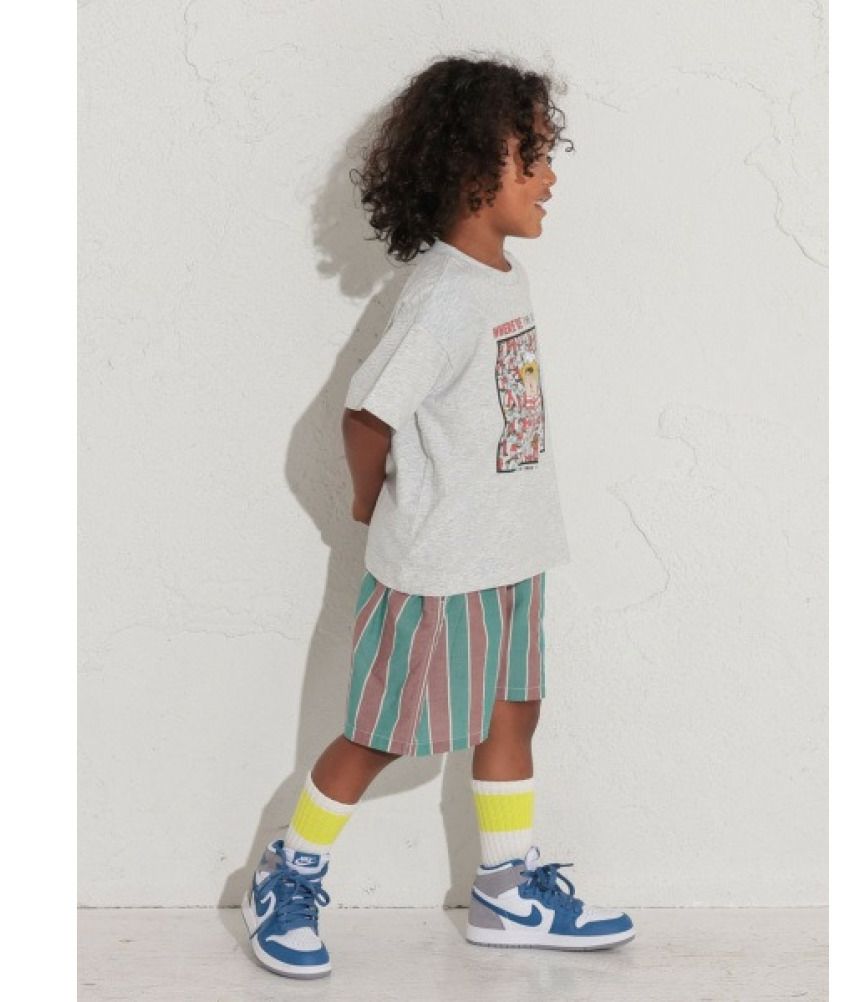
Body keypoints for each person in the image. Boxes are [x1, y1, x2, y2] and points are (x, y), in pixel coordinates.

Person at [241, 54, 635, 980]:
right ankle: (289, 870)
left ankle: (506, 888)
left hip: (512, 552)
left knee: (513, 712)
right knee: (380, 732)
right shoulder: (443, 297)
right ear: (470, 170)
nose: (550, 177)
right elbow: (366, 413)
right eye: (533, 156)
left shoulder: (500, 277)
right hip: (441, 567)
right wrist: (369, 501)